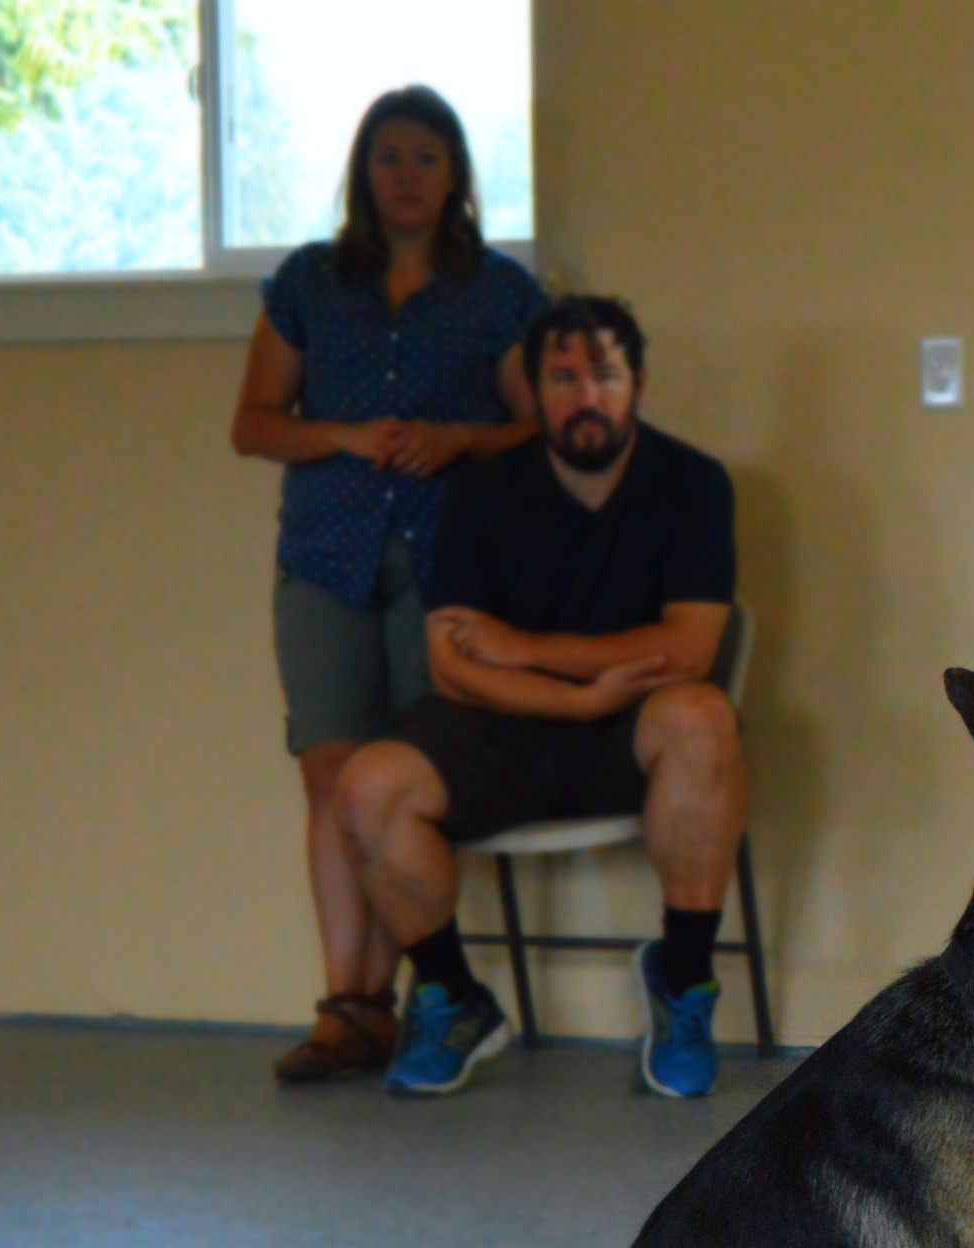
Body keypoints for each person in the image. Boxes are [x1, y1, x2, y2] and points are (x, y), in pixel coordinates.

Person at [335, 296, 747, 1101]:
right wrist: (579, 699)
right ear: (535, 392)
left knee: (701, 715)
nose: (584, 396)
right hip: (502, 728)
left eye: (603, 374)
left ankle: (684, 984)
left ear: (638, 383)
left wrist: (526, 650)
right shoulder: (480, 496)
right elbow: (452, 667)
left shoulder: (694, 483)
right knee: (367, 782)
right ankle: (453, 998)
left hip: (636, 728)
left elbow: (689, 649)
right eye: (562, 377)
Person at [231, 86, 546, 1084]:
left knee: (407, 776)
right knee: (328, 773)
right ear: (364, 174)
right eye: (388, 157)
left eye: (426, 157)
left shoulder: (496, 291)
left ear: (455, 174)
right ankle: (350, 1003)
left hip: (443, 560)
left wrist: (460, 440)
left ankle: (432, 997)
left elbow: (537, 428)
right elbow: (254, 423)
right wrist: (344, 434)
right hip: (323, 554)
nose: (406, 176)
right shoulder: (311, 283)